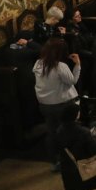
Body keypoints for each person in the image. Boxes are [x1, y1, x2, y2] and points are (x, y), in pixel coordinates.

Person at [33, 38, 81, 171]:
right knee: (68, 132)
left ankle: (55, 161)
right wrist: (77, 65)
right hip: (62, 104)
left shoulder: (38, 63)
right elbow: (73, 81)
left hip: (45, 105)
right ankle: (70, 160)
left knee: (52, 133)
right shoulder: (60, 66)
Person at [54, 104, 96, 190]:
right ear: (76, 115)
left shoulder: (60, 130)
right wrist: (94, 138)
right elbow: (93, 150)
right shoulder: (83, 132)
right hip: (84, 169)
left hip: (68, 169)